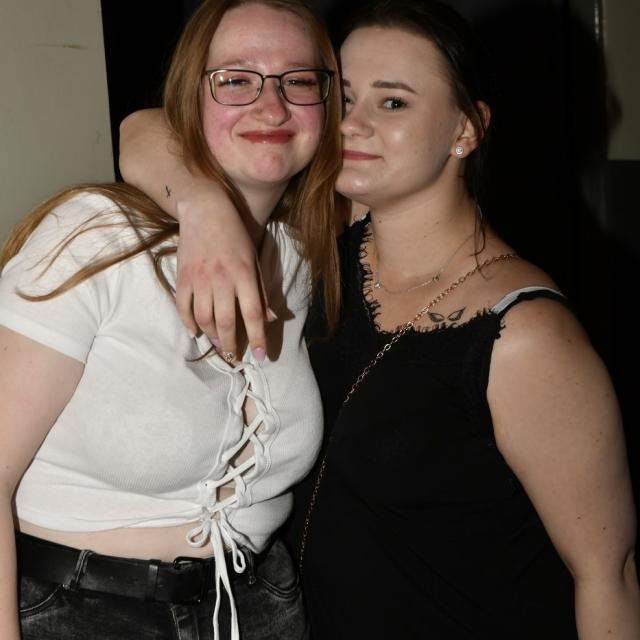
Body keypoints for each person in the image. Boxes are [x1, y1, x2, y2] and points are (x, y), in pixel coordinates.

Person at [119, 1, 640, 638]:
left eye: (393, 102)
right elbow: (142, 129)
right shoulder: (318, 244)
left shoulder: (526, 335)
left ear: (467, 129)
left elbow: (608, 575)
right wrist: (202, 204)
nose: (351, 125)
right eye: (344, 99)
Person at [0, 1, 344, 638]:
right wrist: (201, 200)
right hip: (81, 611)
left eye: (298, 80)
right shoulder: (97, 237)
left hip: (260, 607)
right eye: (235, 79)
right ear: (190, 98)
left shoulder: (304, 255)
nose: (272, 107)